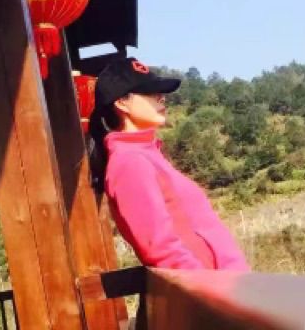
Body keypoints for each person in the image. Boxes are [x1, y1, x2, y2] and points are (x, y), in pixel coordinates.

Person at [88, 57, 249, 271]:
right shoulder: (130, 162)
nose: (161, 97)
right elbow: (162, 249)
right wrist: (212, 287)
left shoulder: (147, 154)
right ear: (122, 102)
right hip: (209, 287)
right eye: (149, 92)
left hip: (228, 283)